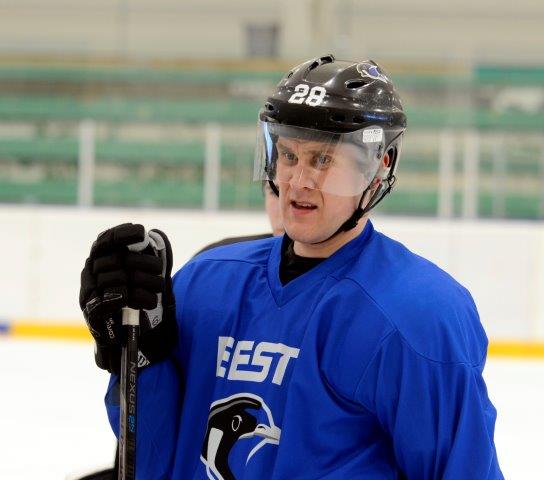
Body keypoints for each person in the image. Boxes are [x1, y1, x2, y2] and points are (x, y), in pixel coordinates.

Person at [80, 55, 503, 479]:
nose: (299, 181)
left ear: (378, 167)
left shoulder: (419, 315)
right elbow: (153, 461)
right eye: (288, 155)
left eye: (323, 160)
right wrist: (136, 357)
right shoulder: (205, 284)